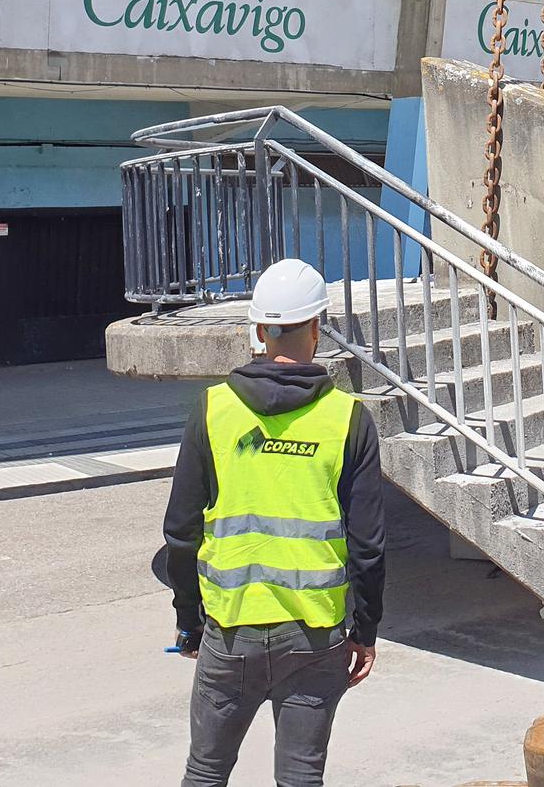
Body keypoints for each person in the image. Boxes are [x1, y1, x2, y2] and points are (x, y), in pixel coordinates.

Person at [164, 259, 386, 787]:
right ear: (318, 326)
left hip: (230, 633)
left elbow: (180, 531)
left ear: (260, 331)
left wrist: (188, 620)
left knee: (205, 773)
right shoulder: (347, 419)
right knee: (301, 778)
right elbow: (369, 546)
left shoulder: (213, 410)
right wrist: (367, 630)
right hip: (314, 639)